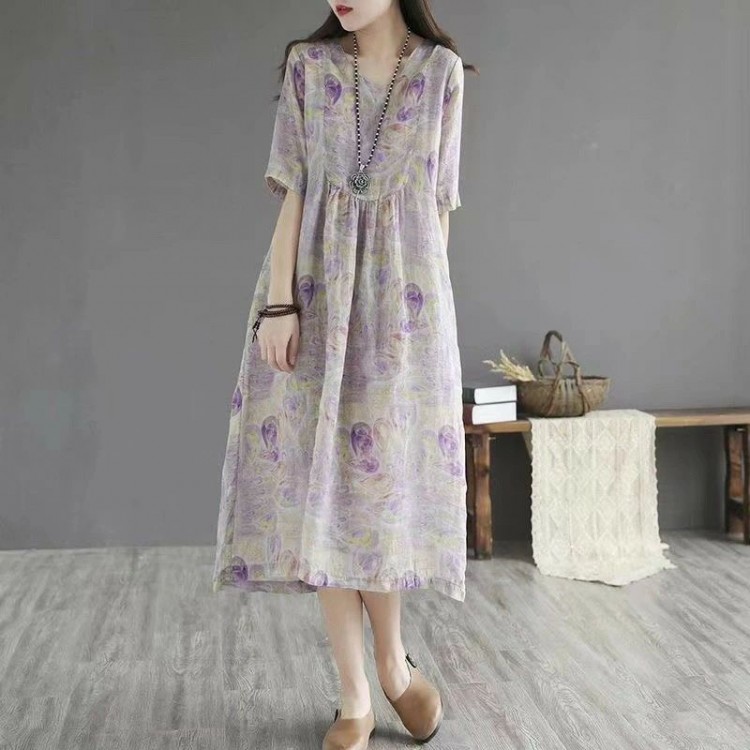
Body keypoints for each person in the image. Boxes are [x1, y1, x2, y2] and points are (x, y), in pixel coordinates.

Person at [212, 1, 475, 747]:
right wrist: (279, 306)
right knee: (319, 489)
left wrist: (425, 328)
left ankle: (394, 664)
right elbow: (295, 192)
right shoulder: (310, 66)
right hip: (315, 300)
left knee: (376, 493)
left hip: (400, 312)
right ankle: (356, 693)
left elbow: (438, 208)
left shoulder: (441, 74)